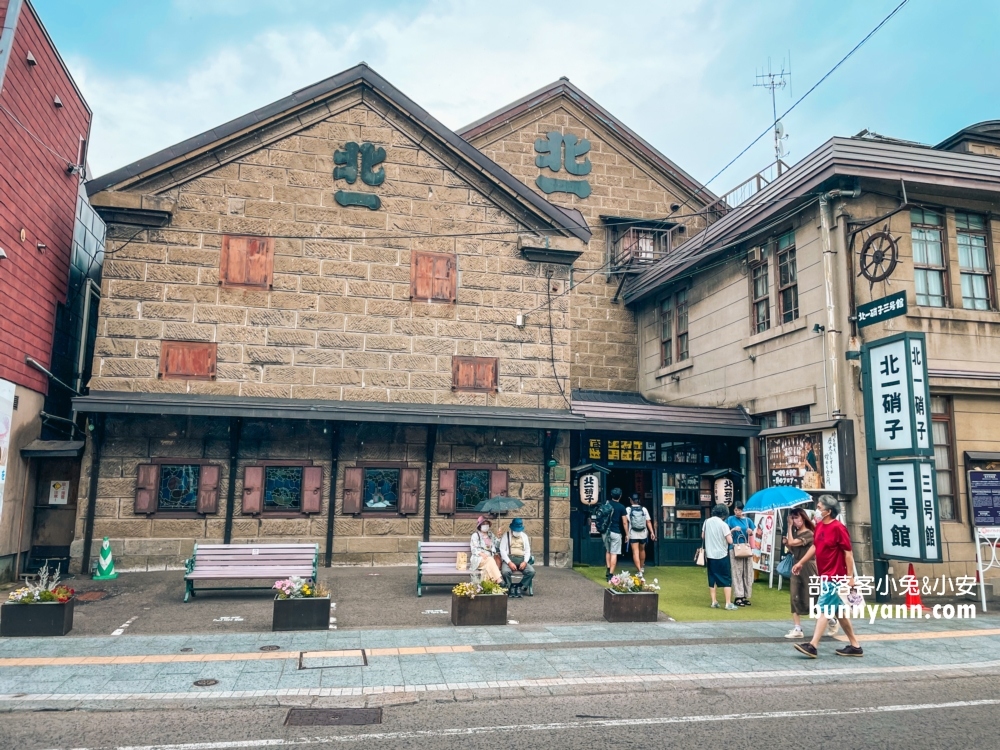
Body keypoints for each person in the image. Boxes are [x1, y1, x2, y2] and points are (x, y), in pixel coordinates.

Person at [792, 495, 864, 658]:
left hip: (836, 576)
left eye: (819, 508)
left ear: (828, 511)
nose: (817, 510)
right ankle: (855, 646)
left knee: (824, 608)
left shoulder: (838, 528)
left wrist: (850, 577)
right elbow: (816, 546)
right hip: (825, 575)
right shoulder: (819, 526)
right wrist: (801, 562)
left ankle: (813, 645)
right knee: (839, 612)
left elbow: (848, 553)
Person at [783, 507, 816, 639]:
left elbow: (792, 542)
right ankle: (797, 628)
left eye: (796, 517)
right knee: (794, 595)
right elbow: (792, 547)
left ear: (803, 518)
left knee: (814, 596)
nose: (794, 521)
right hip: (796, 566)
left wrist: (789, 527)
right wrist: (787, 543)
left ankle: (830, 619)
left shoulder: (809, 533)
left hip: (808, 567)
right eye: (792, 518)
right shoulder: (796, 533)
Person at [702, 503, 736, 610]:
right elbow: (729, 540)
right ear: (724, 514)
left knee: (712, 578)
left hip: (710, 555)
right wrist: (731, 534)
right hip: (722, 555)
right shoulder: (723, 525)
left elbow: (703, 536)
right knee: (726, 578)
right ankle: (728, 603)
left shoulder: (707, 522)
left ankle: (714, 601)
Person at [726, 502, 756, 607]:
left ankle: (745, 595)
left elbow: (752, 533)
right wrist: (733, 529)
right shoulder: (730, 519)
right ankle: (738, 596)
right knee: (737, 571)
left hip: (746, 548)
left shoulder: (748, 521)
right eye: (735, 510)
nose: (737, 512)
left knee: (747, 571)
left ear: (743, 510)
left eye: (739, 510)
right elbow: (726, 532)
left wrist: (750, 532)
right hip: (734, 547)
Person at [597, 488, 630, 580]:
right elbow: (624, 522)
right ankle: (611, 574)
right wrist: (627, 534)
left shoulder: (606, 504)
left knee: (608, 551)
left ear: (611, 495)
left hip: (606, 532)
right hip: (615, 532)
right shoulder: (621, 507)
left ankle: (608, 568)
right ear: (620, 496)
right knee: (614, 553)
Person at [500, 517, 534, 598]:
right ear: (512, 528)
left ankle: (520, 586)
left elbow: (527, 550)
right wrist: (509, 562)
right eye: (516, 530)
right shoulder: (506, 535)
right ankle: (510, 586)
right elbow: (502, 550)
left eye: (519, 530)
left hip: (521, 559)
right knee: (505, 572)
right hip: (509, 559)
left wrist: (525, 561)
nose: (517, 532)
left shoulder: (524, 536)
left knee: (531, 571)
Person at [627, 493, 656, 574]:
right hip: (643, 532)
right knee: (642, 550)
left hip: (633, 532)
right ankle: (642, 567)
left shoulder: (628, 509)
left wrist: (626, 534)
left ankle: (639, 571)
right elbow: (648, 521)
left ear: (631, 500)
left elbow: (625, 522)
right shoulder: (644, 509)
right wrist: (652, 532)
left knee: (635, 552)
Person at [469, 516, 503, 585]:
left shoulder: (490, 534)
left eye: (487, 524)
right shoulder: (475, 535)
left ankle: (486, 587)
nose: (486, 526)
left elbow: (497, 545)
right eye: (483, 524)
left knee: (487, 567)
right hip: (479, 559)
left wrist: (499, 536)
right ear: (480, 526)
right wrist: (481, 554)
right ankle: (499, 580)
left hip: (489, 559)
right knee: (490, 560)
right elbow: (473, 549)